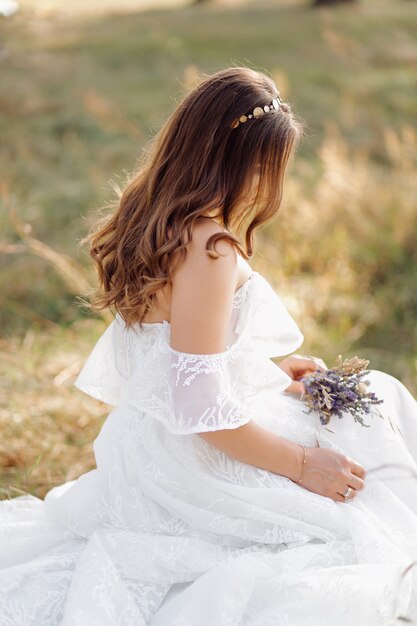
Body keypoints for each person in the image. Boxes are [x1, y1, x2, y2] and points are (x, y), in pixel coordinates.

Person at [1, 66, 417, 625]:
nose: (269, 186)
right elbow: (199, 407)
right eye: (269, 168)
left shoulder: (150, 217)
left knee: (369, 399)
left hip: (149, 443)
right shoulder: (209, 246)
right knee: (366, 475)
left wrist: (263, 370)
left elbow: (176, 350)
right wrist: (301, 464)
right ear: (241, 163)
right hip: (196, 453)